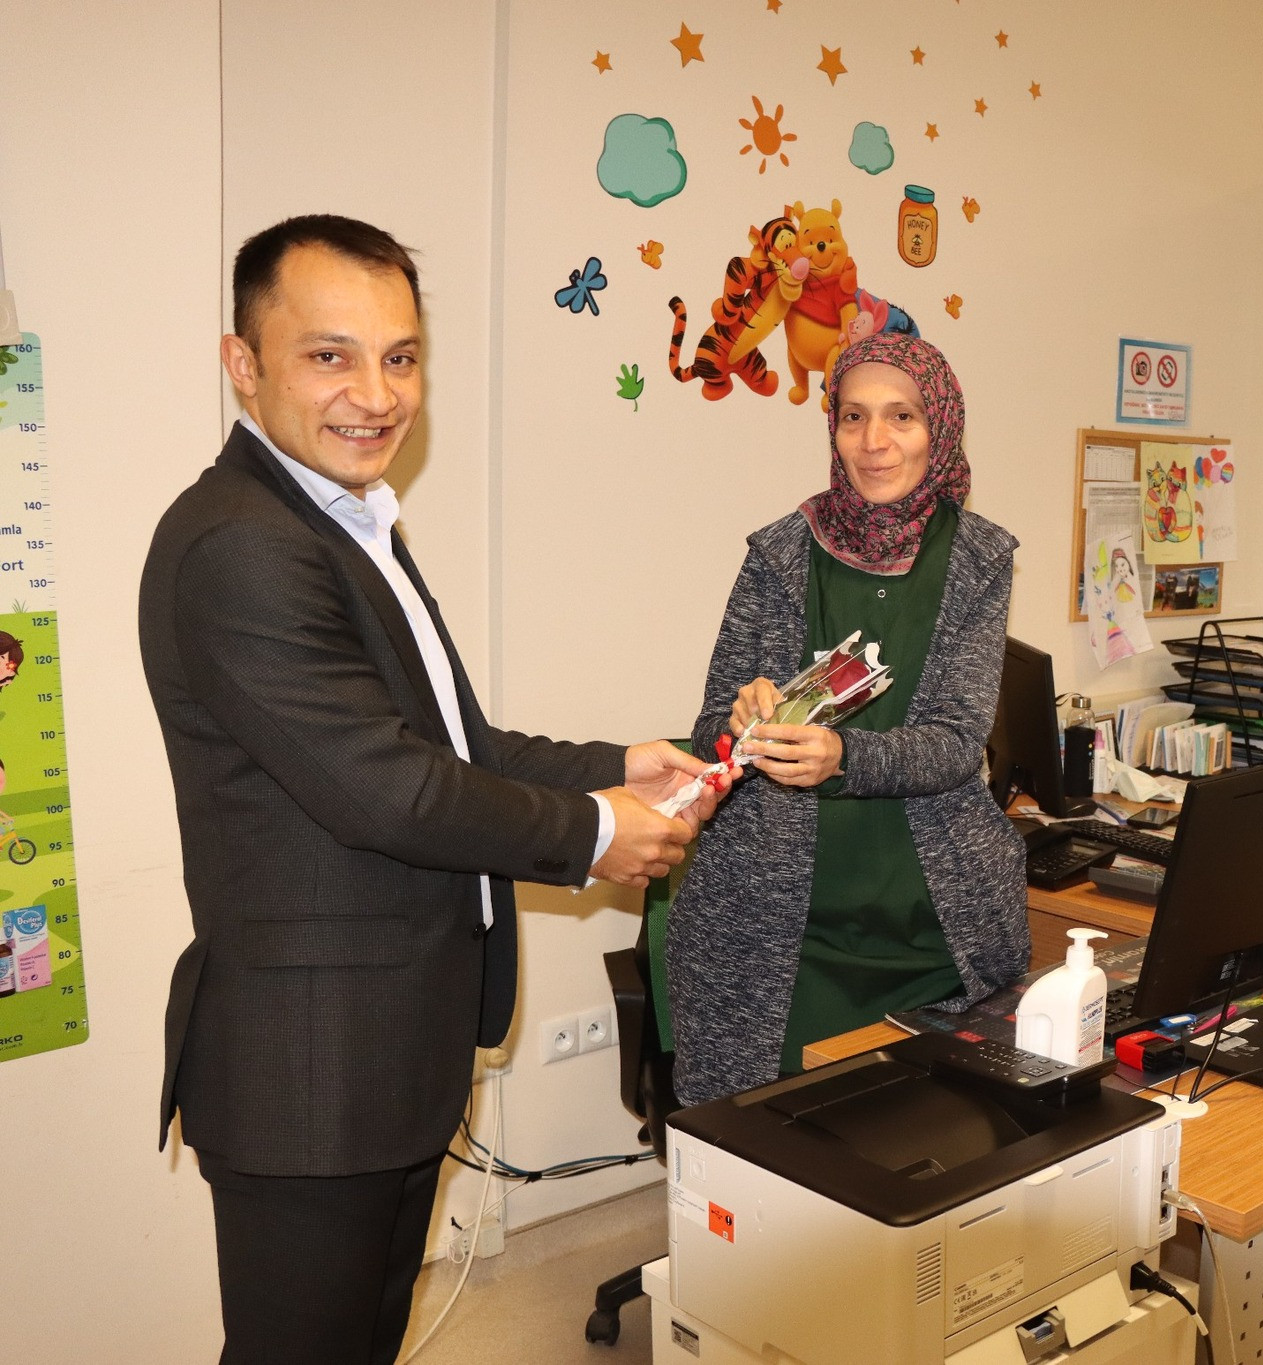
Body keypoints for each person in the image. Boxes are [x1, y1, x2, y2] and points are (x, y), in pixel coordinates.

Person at [139, 215, 724, 1365]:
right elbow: (389, 790)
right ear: (243, 365)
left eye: (400, 357)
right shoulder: (242, 545)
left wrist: (616, 766)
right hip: (311, 1075)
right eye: (330, 356)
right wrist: (593, 832)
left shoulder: (344, 522)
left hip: (385, 1055)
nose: (376, 395)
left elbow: (453, 743)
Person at [667, 332, 1027, 1104]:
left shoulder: (979, 560)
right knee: (771, 1144)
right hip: (779, 938)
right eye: (854, 416)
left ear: (940, 427)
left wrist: (843, 757)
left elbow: (956, 742)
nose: (874, 441)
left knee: (936, 1143)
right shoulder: (779, 554)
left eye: (902, 416)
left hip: (934, 933)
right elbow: (709, 737)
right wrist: (740, 720)